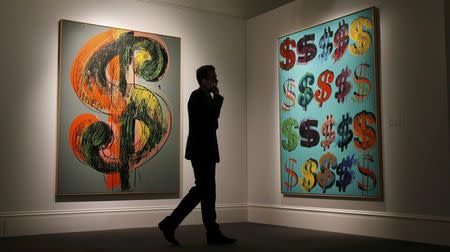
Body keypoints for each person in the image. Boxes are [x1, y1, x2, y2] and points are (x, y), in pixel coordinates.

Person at [158, 65, 236, 246]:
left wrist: (215, 98)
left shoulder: (204, 97)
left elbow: (212, 124)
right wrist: (217, 96)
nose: (217, 81)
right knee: (203, 190)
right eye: (214, 78)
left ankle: (211, 232)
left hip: (205, 151)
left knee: (207, 192)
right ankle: (171, 223)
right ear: (204, 80)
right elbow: (211, 117)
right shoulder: (198, 96)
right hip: (201, 152)